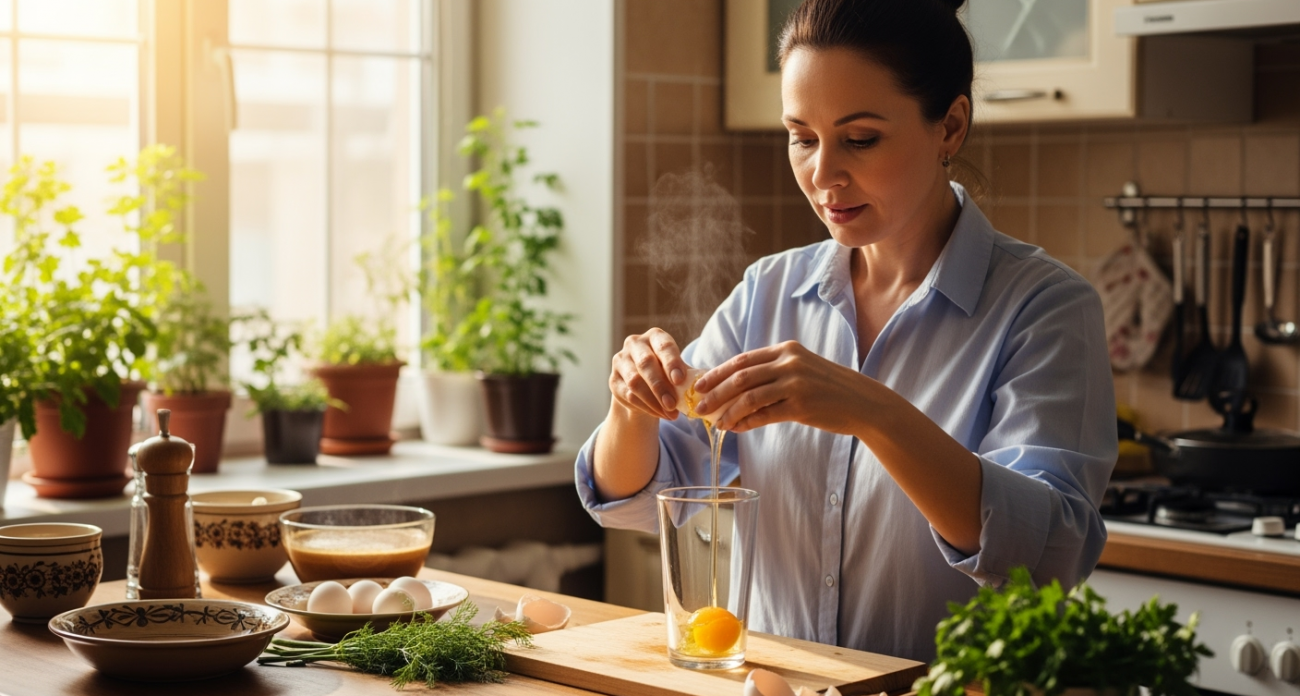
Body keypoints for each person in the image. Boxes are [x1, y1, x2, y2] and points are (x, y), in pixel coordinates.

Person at [574, 0, 1116, 662]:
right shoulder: (768, 292)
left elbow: (1049, 554)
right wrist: (633, 406)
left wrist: (873, 412)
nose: (823, 175)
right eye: (802, 137)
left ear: (950, 125)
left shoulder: (1045, 308)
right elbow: (635, 500)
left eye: (859, 139)